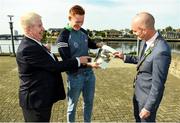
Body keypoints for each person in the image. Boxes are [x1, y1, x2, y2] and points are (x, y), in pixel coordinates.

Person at [16, 12, 90, 122]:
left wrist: (45, 50)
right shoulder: (29, 48)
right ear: (28, 29)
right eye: (39, 25)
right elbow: (54, 66)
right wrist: (79, 60)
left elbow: (45, 62)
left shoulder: (34, 44)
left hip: (41, 99)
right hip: (35, 102)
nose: (43, 28)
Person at [114, 12, 171, 122]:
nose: (133, 33)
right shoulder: (144, 42)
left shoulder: (161, 51)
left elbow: (158, 84)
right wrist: (123, 57)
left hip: (147, 99)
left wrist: (148, 107)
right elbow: (141, 60)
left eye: (135, 31)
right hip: (138, 93)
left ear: (144, 30)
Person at [56, 5, 102, 122]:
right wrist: (90, 63)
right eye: (77, 22)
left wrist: (98, 45)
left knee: (89, 103)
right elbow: (67, 62)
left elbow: (90, 43)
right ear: (69, 18)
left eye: (82, 22)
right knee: (72, 106)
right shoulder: (63, 37)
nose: (79, 25)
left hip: (89, 75)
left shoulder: (83, 31)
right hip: (75, 76)